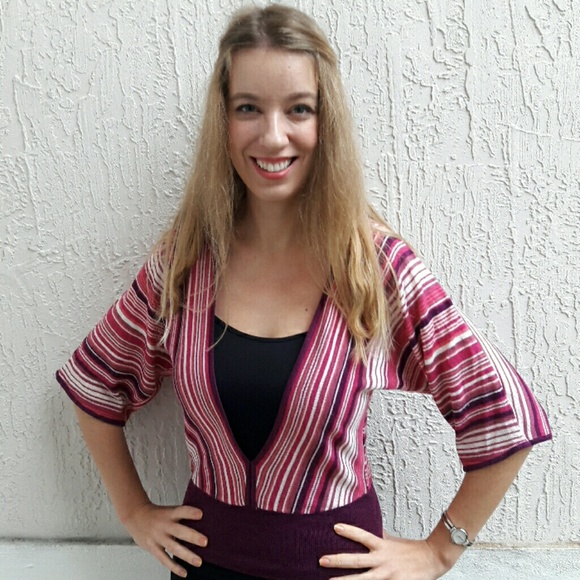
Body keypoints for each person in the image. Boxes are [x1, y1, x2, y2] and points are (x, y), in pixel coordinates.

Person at [56, 5, 552, 579]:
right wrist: (133, 512)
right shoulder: (185, 265)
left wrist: (441, 550)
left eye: (299, 109)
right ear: (223, 120)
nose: (273, 136)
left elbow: (505, 414)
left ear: (325, 121)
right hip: (202, 566)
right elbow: (96, 383)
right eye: (248, 108)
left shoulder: (374, 270)